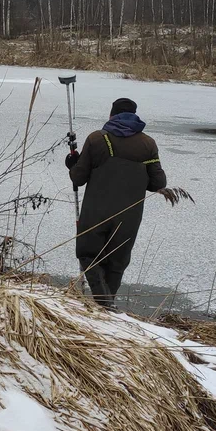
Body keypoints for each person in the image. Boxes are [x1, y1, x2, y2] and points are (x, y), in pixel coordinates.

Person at [65, 98, 167, 309]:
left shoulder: (96, 139)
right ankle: (107, 306)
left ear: (111, 115)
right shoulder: (148, 144)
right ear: (135, 116)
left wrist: (73, 164)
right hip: (129, 216)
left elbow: (78, 178)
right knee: (116, 262)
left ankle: (103, 303)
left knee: (88, 254)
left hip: (95, 212)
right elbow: (158, 183)